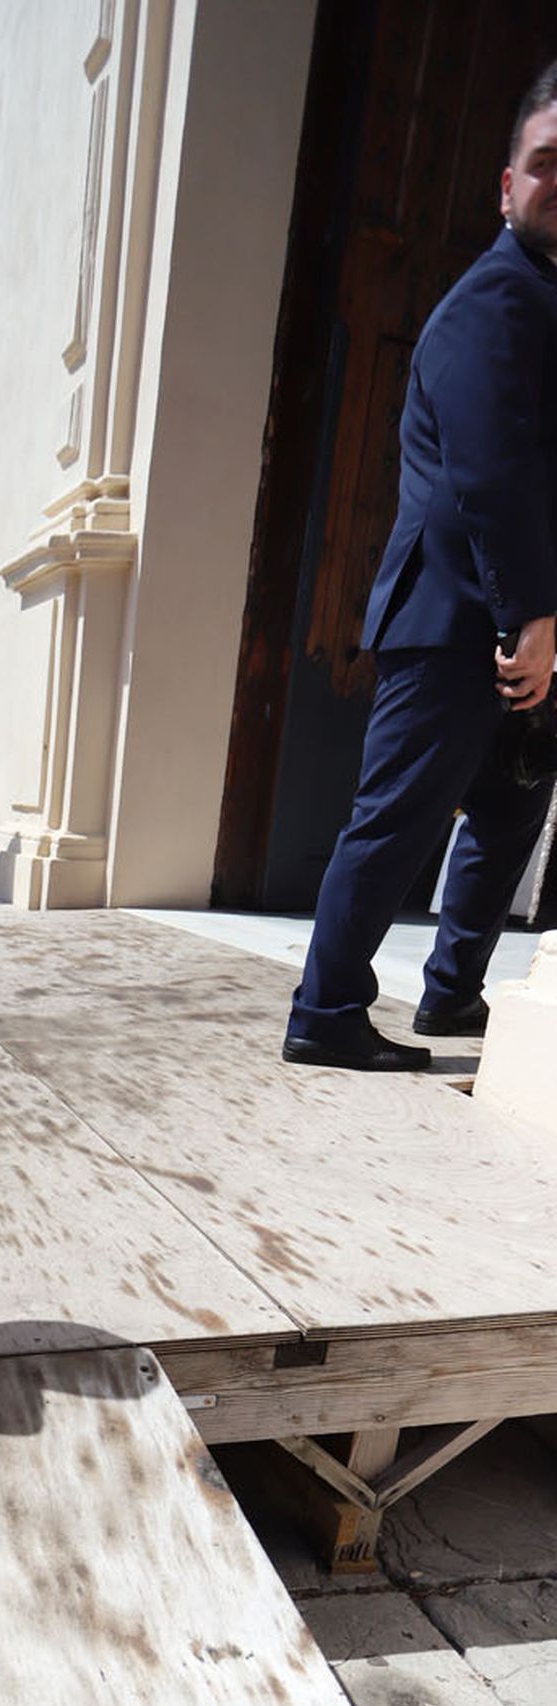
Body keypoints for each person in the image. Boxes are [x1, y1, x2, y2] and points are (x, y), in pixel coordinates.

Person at [283, 64, 557, 1072]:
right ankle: (323, 1012)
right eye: (544, 164)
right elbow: (490, 471)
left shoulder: (542, 296)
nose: (555, 181)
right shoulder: (498, 298)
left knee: (507, 807)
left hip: (511, 617)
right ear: (504, 184)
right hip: (457, 616)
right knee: (395, 819)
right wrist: (532, 614)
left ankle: (449, 996)